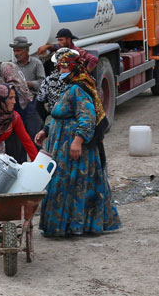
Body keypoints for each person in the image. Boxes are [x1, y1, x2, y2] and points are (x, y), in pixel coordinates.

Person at [35, 50, 120, 237]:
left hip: (73, 149)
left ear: (74, 67)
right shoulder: (69, 86)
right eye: (59, 66)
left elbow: (87, 117)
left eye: (65, 66)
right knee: (64, 184)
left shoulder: (79, 89)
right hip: (61, 146)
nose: (61, 70)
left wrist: (77, 141)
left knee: (72, 185)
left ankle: (74, 226)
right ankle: (66, 226)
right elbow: (59, 114)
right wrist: (46, 130)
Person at [0, 61, 41, 164]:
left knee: (12, 155)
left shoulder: (7, 88)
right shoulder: (21, 85)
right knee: (21, 151)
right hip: (20, 123)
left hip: (11, 126)